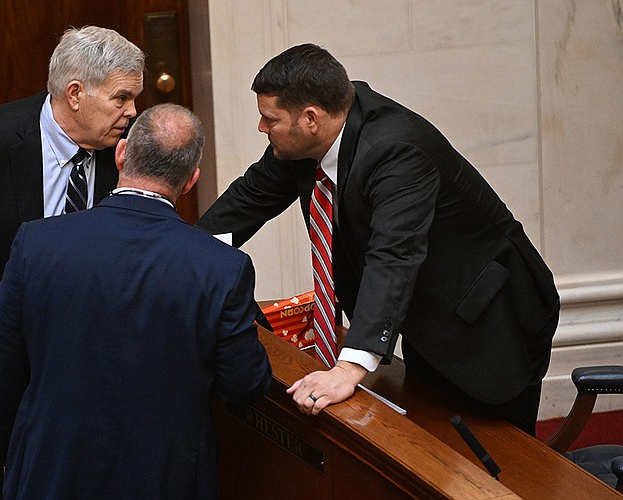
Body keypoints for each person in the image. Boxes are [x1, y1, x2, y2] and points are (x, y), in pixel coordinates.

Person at [196, 43, 559, 436]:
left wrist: (349, 369)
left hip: (491, 315)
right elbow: (247, 200)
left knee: (500, 457)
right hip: (427, 312)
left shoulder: (396, 151)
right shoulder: (305, 142)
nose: (262, 128)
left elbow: (394, 255)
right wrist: (180, 259)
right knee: (432, 437)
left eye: (270, 119)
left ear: (311, 118)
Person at [0, 25, 145, 499]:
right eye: (121, 98)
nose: (133, 111)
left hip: (91, 358)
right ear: (75, 94)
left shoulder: (129, 146)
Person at [0, 103, 272, 499]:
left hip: (51, 467)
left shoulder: (36, 243)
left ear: (121, 154)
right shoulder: (222, 268)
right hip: (164, 476)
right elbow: (244, 383)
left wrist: (15, 453)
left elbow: (5, 369)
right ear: (191, 180)